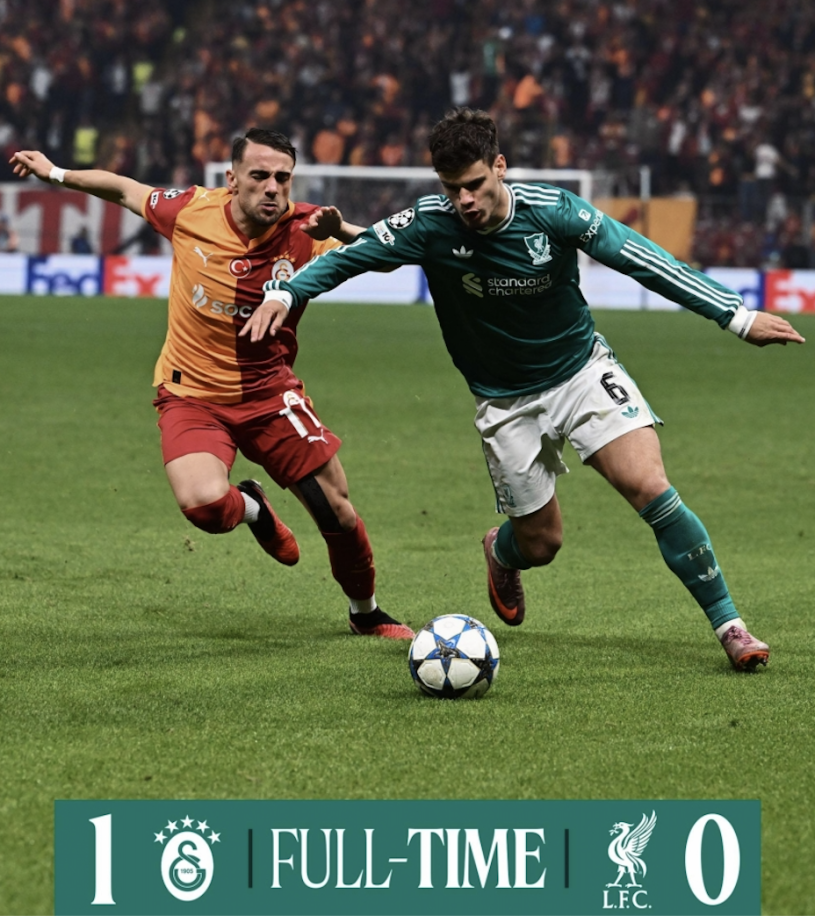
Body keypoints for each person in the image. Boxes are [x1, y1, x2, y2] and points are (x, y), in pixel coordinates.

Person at [248, 108, 806, 671]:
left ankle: (730, 626)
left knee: (650, 486)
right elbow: (350, 258)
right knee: (541, 543)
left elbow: (643, 259)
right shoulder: (430, 221)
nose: (465, 200)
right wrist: (286, 294)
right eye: (452, 188)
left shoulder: (554, 210)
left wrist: (736, 315)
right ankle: (501, 550)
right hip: (504, 401)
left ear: (500, 166)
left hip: (581, 372)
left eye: (474, 184)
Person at [9, 128, 412, 640]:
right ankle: (254, 508)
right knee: (204, 505)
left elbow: (389, 252)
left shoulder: (309, 227)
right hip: (191, 394)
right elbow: (126, 189)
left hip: (270, 395)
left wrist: (344, 231)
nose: (273, 187)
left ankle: (365, 613)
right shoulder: (191, 210)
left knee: (338, 512)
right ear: (232, 178)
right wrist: (56, 173)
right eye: (260, 175)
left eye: (283, 177)